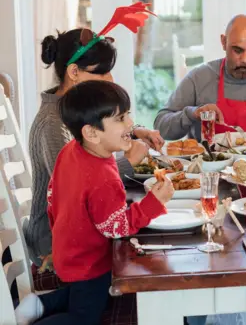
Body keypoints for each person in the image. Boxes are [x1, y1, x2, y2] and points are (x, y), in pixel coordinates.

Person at [14, 80, 174, 325]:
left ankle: (39, 304)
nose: (130, 124)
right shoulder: (104, 178)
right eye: (120, 118)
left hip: (68, 250)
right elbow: (116, 228)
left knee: (81, 293)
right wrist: (153, 203)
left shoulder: (71, 150)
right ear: (91, 133)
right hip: (89, 261)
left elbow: (51, 194)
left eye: (127, 115)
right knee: (84, 315)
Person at [24, 27, 164, 270]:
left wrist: (134, 130)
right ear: (74, 72)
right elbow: (79, 184)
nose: (110, 79)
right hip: (57, 244)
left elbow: (98, 131)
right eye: (101, 72)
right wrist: (128, 161)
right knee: (145, 254)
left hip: (81, 229)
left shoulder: (74, 111)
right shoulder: (53, 124)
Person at [154, 14, 246, 140]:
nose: (245, 60)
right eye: (237, 50)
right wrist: (192, 113)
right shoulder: (199, 78)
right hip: (211, 168)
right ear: (224, 42)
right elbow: (161, 127)